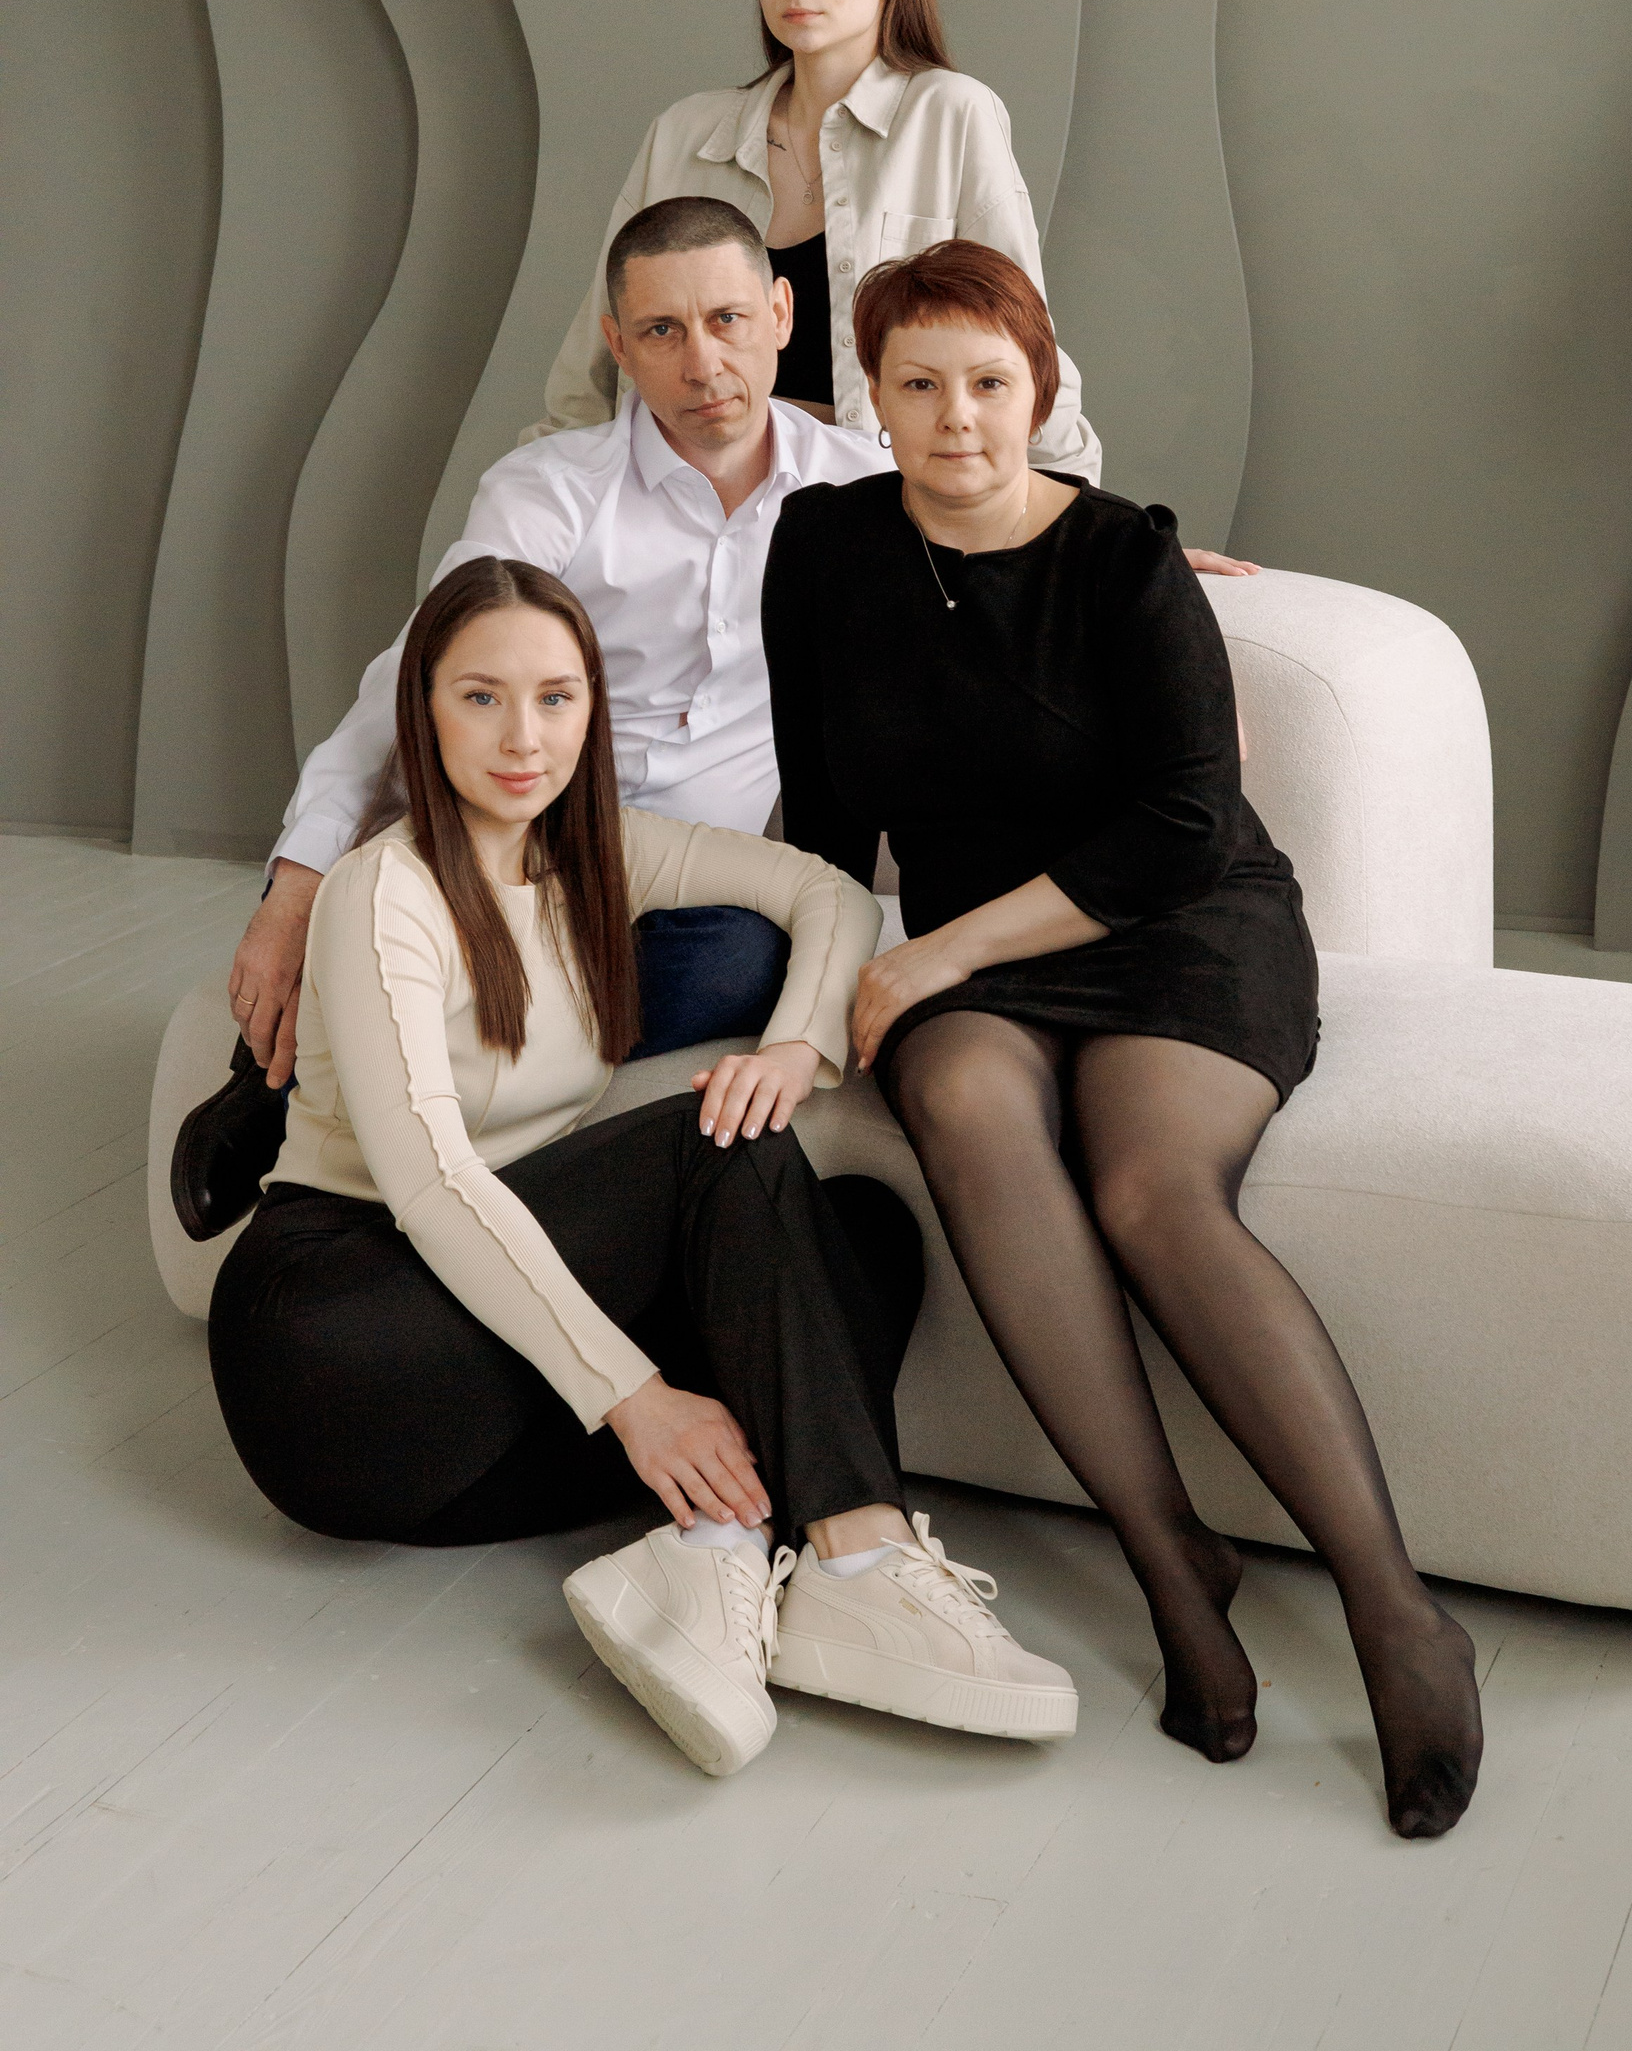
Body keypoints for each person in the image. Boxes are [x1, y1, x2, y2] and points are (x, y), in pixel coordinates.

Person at [760, 240, 1484, 1840]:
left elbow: (1187, 822)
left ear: (1042, 387)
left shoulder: (1124, 559)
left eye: (990, 381)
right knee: (961, 1100)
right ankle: (1172, 1563)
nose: (958, 417)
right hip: (979, 966)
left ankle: (1395, 1612)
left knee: (1153, 1191)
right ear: (871, 398)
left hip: (1179, 924)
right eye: (920, 383)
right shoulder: (821, 550)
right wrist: (816, 1001)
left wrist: (938, 948)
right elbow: (820, 824)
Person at [208, 551, 1078, 1779]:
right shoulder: (380, 892)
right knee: (709, 1138)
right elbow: (433, 1185)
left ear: (591, 711)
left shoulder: (602, 854)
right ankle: (858, 1558)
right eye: (481, 697)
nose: (524, 737)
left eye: (556, 698)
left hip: (475, 1419)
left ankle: (712, 1560)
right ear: (424, 711)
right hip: (340, 1352)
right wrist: (635, 1394)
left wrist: (796, 1045)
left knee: (866, 1238)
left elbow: (832, 894)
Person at [174, 197, 891, 1240]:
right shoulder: (553, 488)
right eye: (662, 330)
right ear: (617, 345)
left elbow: (1003, 529)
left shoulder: (864, 488)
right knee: (398, 897)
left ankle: (392, 1078)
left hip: (682, 881)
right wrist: (295, 888)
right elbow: (416, 673)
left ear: (782, 313)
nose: (703, 364)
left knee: (745, 958)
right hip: (517, 843)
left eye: (729, 320)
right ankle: (286, 1087)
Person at [532, 0, 1100, 467]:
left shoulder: (950, 114)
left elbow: (1020, 340)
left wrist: (1080, 507)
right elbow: (593, 361)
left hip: (872, 493)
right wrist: (547, 487)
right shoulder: (685, 134)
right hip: (681, 490)